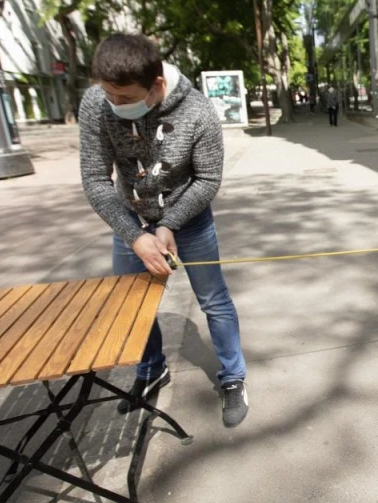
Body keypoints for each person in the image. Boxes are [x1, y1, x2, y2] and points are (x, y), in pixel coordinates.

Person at [79, 33, 250, 429]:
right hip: (130, 218)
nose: (115, 105)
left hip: (189, 220)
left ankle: (233, 377)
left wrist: (171, 223)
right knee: (132, 303)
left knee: (214, 300)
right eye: (109, 95)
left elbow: (208, 179)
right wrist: (135, 234)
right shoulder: (96, 104)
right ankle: (151, 369)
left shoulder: (198, 112)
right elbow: (94, 177)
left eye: (125, 97)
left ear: (156, 86)